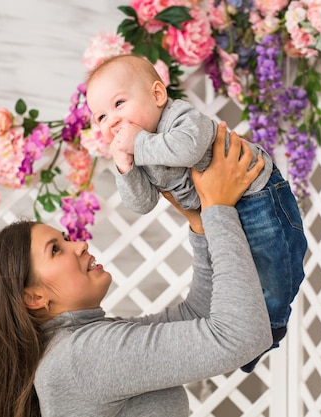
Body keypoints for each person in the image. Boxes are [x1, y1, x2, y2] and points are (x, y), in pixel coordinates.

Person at [0, 125, 272, 417]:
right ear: (33, 296)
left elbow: (197, 314)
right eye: (56, 250)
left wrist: (202, 227)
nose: (79, 245)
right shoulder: (81, 357)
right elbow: (241, 337)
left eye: (66, 239)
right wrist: (219, 209)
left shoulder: (80, 347)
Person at [86, 53, 308, 372]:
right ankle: (255, 335)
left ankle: (267, 330)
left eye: (119, 104)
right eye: (101, 117)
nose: (112, 122)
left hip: (253, 191)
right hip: (220, 210)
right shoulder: (140, 149)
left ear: (157, 95)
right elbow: (143, 203)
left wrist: (140, 145)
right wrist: (125, 167)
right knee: (245, 278)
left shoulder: (179, 117)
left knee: (275, 265)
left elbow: (189, 148)